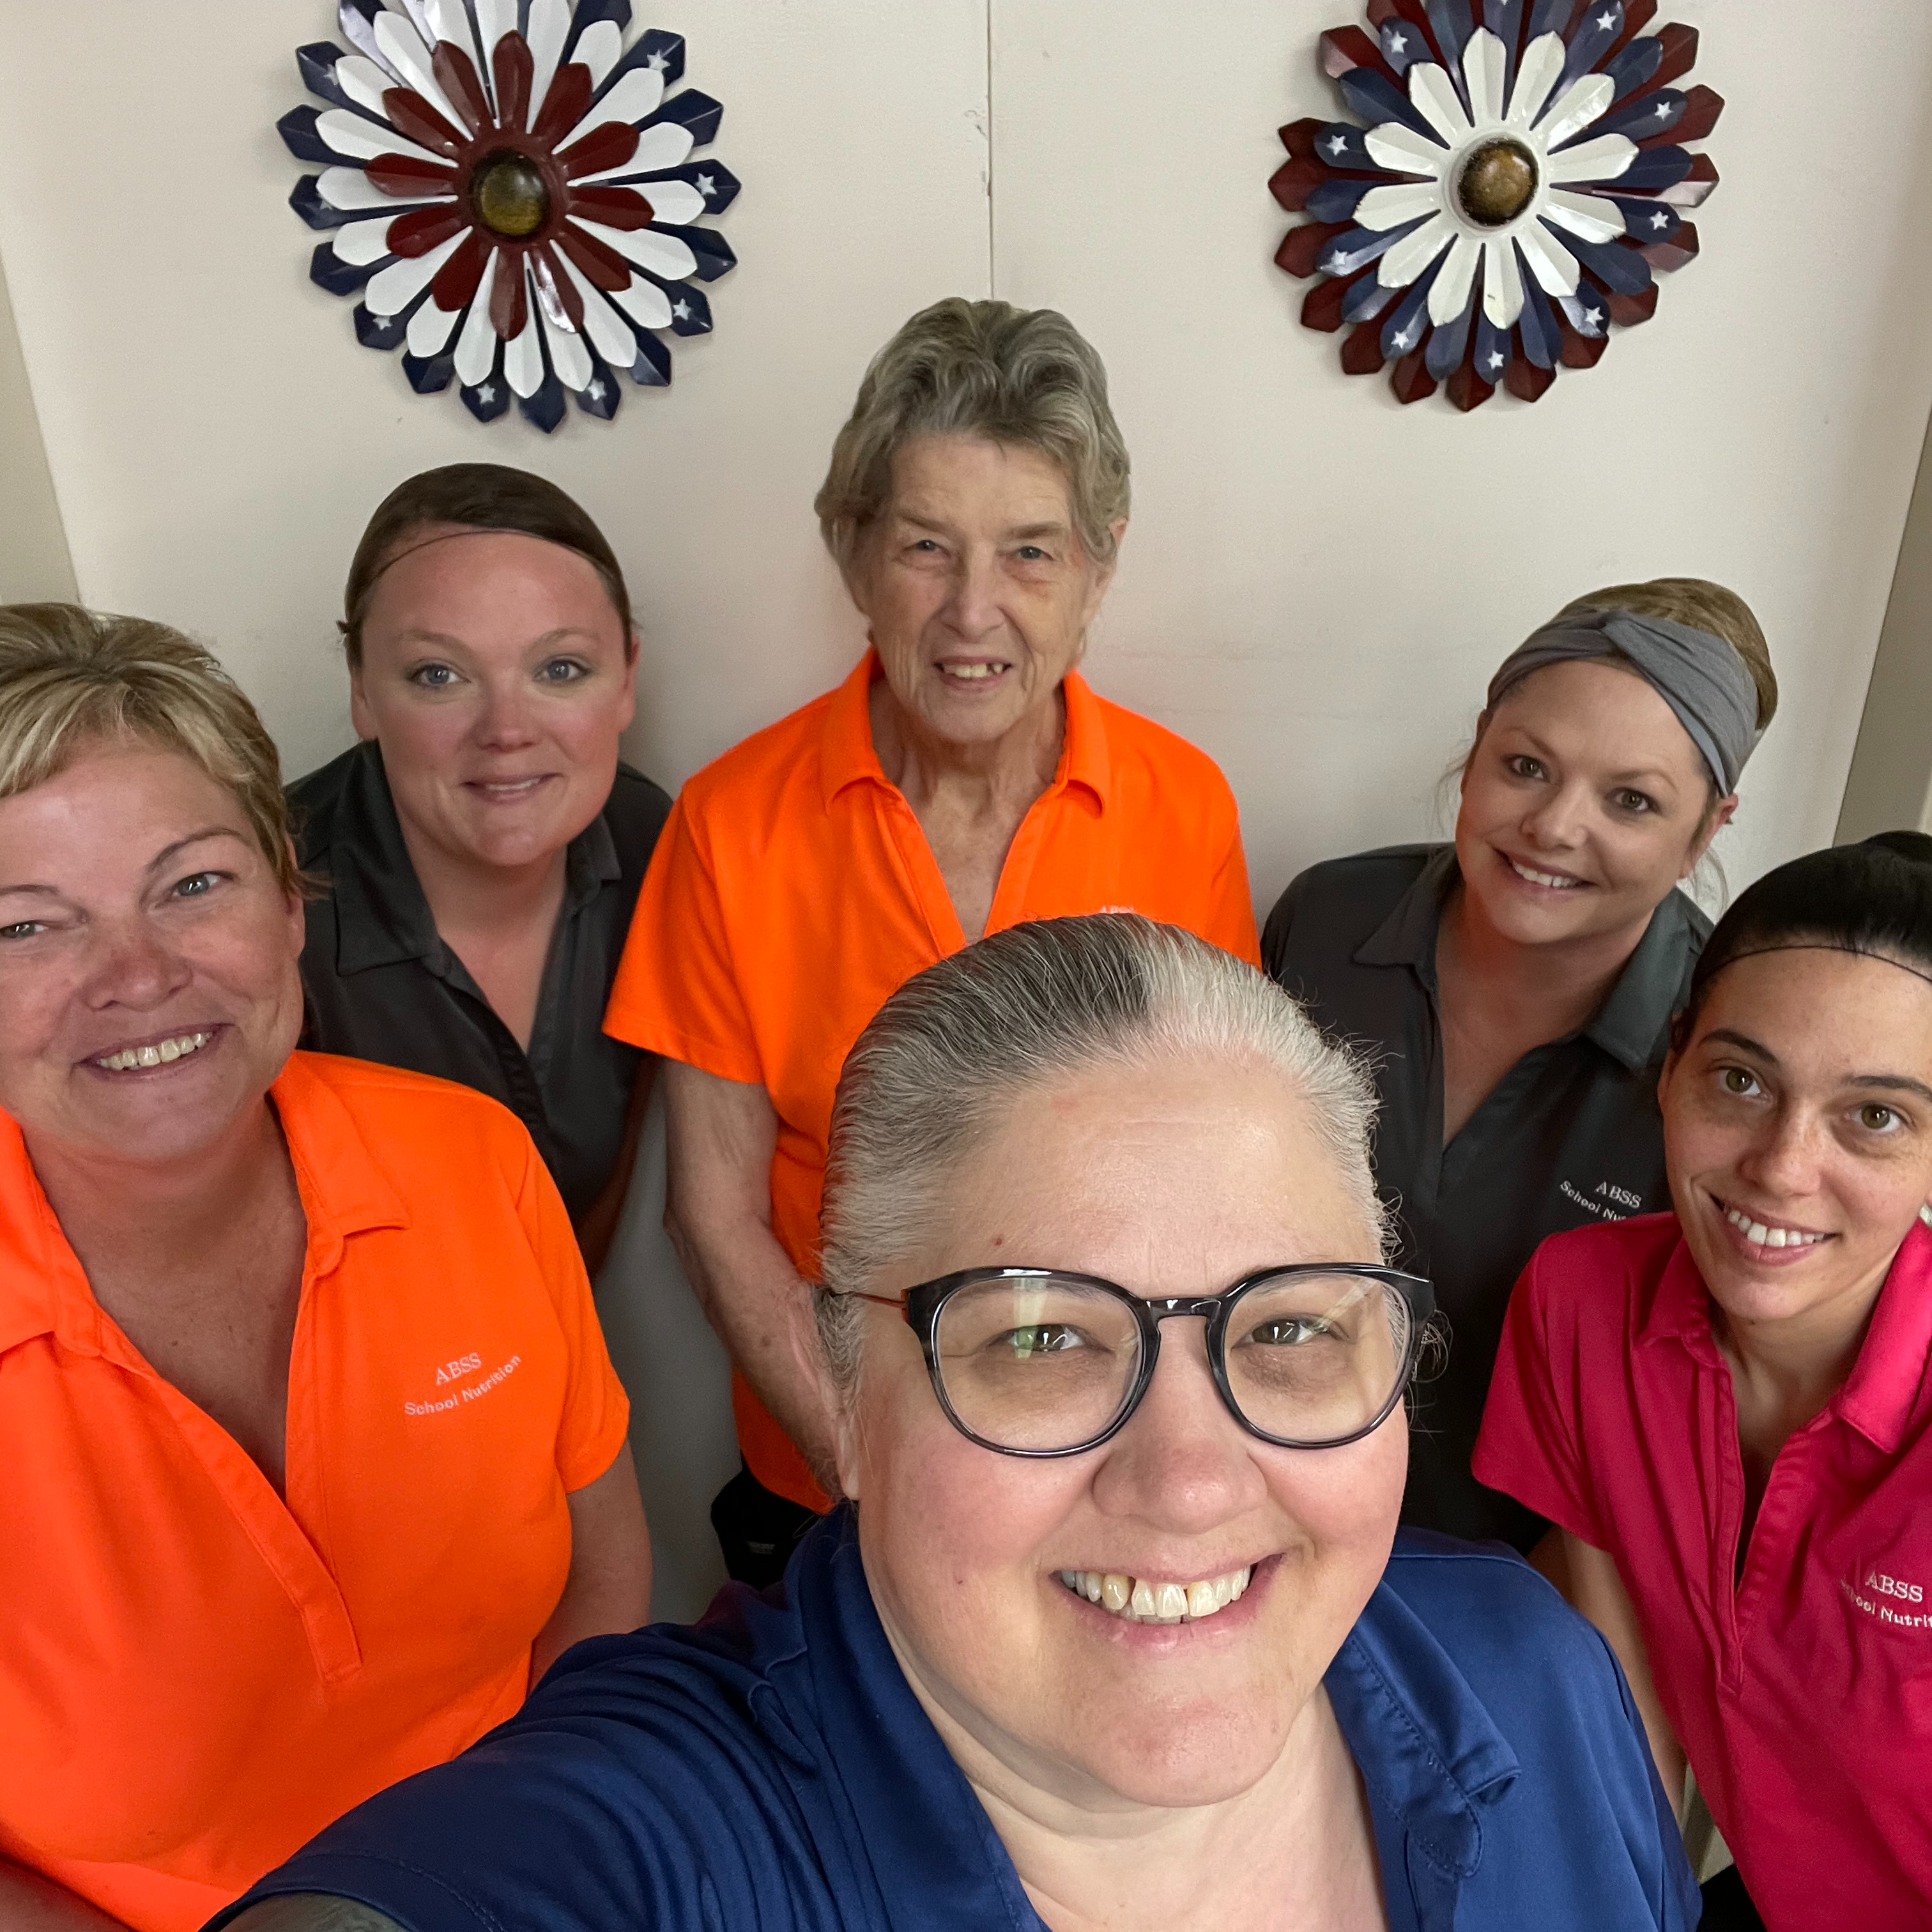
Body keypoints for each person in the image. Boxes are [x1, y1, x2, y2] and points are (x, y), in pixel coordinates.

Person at [215, 915, 1696, 1932]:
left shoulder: (1526, 1667)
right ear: (847, 1401)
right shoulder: (678, 1825)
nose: (1187, 1480)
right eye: (1042, 1338)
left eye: (1290, 1327)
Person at [0, 605, 653, 1932]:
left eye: (193, 885)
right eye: (27, 926)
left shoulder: (471, 1161)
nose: (138, 977)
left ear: (289, 906)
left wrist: (531, 1860)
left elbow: (601, 1570)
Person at [604, 298, 1261, 1582]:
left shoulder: (1185, 805)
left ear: (1098, 571)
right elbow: (713, 1214)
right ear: (853, 557)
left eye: (1029, 553)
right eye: (924, 548)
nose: (974, 611)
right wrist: (862, 1455)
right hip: (831, 1479)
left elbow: (1213, 1178)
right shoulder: (730, 822)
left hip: (1108, 1475)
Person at [1476, 834, 1932, 1932]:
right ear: (1669, 1062)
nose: (1778, 1165)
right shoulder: (1578, 1302)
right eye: (1738, 1079)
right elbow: (1625, 1712)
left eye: (1872, 1115)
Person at [1264, 579, 1777, 1547]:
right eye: (1527, 766)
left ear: (1705, 833)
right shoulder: (1324, 923)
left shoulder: (1728, 1050)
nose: (1553, 827)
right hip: (1257, 1511)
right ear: (1476, 750)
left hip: (1518, 1581)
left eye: (1630, 801)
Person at [291, 466, 671, 1275]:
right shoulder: (263, 910)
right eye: (439, 674)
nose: (506, 731)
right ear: (361, 689)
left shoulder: (654, 845)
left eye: (559, 669)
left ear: (627, 679)